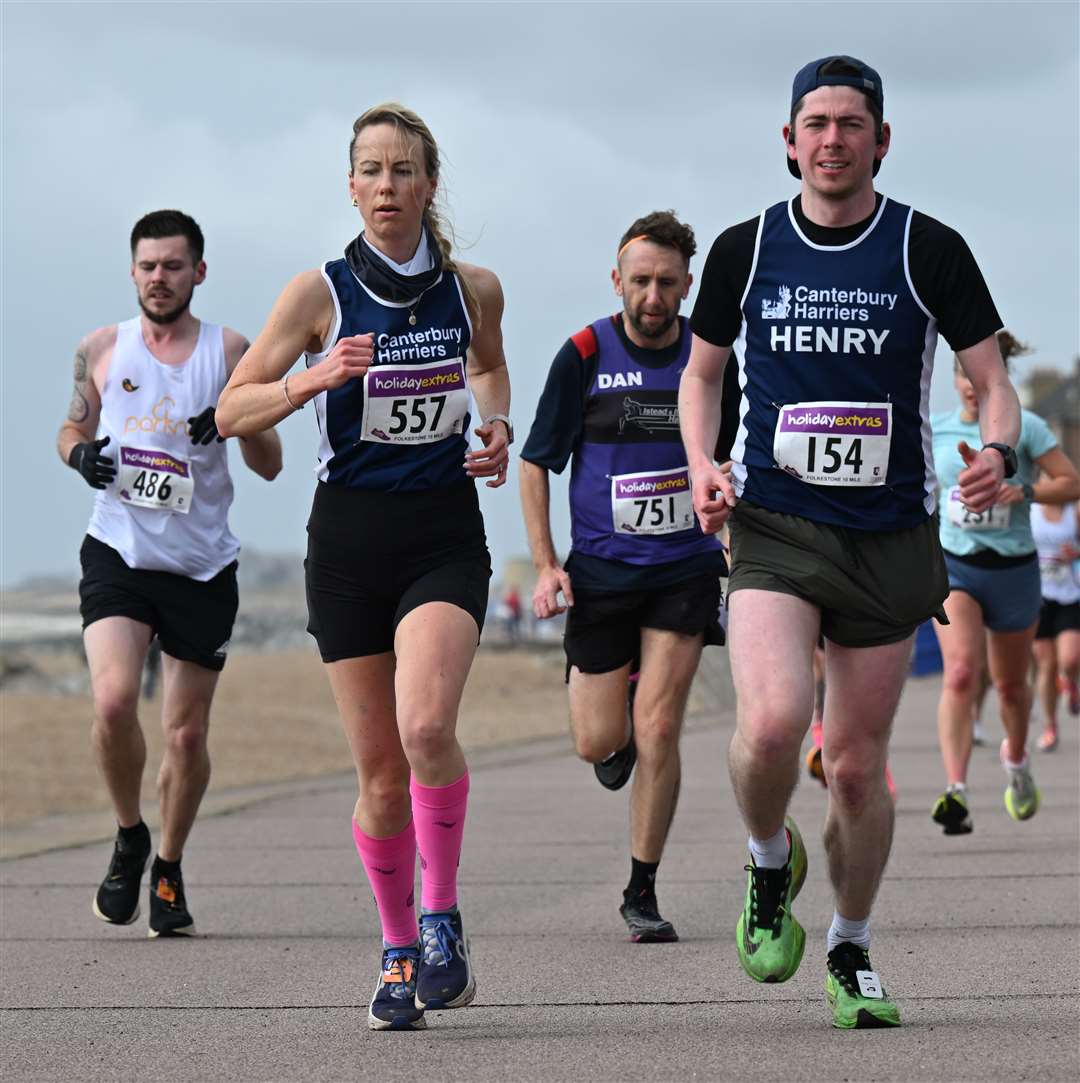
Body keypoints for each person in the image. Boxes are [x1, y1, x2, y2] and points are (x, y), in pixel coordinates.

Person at [679, 55, 1021, 1029]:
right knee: (778, 721)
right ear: (789, 142)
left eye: (851, 124)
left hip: (891, 535)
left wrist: (996, 444)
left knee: (862, 768)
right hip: (776, 525)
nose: (832, 139)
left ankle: (852, 947)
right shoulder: (747, 250)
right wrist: (705, 460)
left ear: (881, 140)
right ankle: (767, 859)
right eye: (815, 124)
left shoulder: (928, 249)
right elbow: (701, 378)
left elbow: (990, 378)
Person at [215, 104, 510, 1032]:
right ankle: (394, 952)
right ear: (352, 186)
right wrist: (313, 378)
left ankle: (441, 918)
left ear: (429, 184)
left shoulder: (473, 288)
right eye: (371, 171)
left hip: (440, 535)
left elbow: (491, 371)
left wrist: (496, 427)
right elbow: (230, 412)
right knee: (380, 775)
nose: (387, 187)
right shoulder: (320, 293)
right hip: (345, 543)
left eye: (404, 171)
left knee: (427, 727)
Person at [56, 209, 282, 938]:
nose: (160, 277)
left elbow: (271, 461)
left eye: (174, 265)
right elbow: (72, 427)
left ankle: (170, 865)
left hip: (201, 565)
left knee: (185, 738)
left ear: (199, 272)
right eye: (148, 265)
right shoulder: (99, 347)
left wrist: (232, 420)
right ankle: (129, 835)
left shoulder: (232, 350)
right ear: (133, 271)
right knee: (116, 701)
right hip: (118, 551)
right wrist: (77, 456)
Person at [520, 211, 732, 944]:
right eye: (639, 280)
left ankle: (642, 887)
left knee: (661, 728)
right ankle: (614, 712)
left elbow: (731, 457)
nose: (652, 295)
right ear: (617, 281)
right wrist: (547, 563)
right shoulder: (583, 352)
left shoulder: (710, 358)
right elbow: (535, 460)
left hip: (684, 566)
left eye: (666, 282)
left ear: (687, 284)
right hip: (603, 571)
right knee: (599, 740)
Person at [930, 340, 1080, 831]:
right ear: (953, 380)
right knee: (959, 673)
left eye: (980, 377)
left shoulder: (1027, 428)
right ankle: (956, 789)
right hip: (957, 568)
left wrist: (1026, 490)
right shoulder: (936, 430)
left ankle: (1016, 763)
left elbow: (1071, 482)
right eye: (963, 378)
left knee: (1013, 688)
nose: (972, 387)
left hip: (1014, 570)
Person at [1031, 497, 1080, 751]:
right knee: (1046, 665)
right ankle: (1051, 725)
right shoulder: (1029, 508)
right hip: (1037, 597)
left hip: (1070, 594)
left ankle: (1070, 680)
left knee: (1070, 658)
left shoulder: (1075, 510)